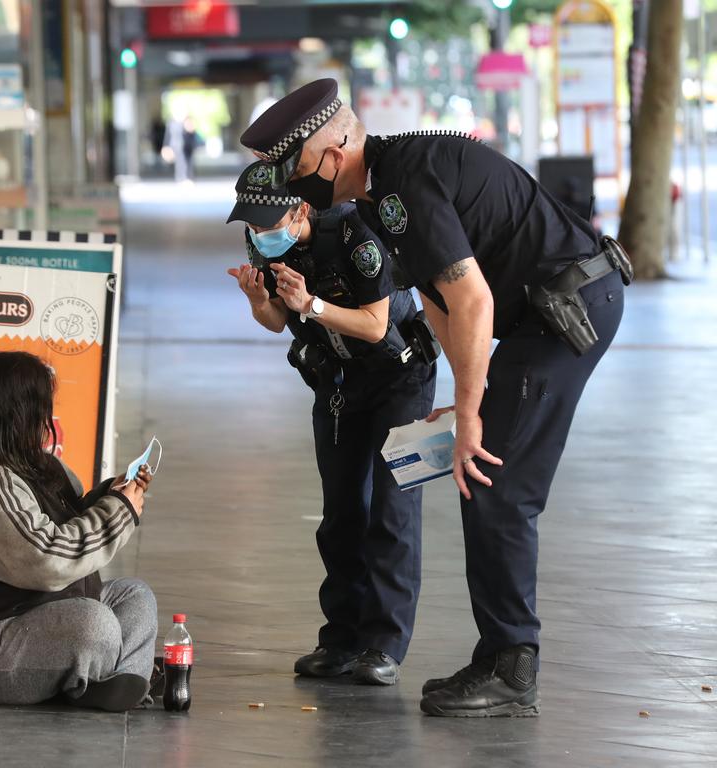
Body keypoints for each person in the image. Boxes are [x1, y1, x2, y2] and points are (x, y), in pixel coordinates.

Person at [240, 79, 629, 717]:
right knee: (483, 469)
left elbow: (473, 297)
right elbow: (436, 299)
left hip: (568, 309)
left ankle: (511, 665)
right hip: (541, 316)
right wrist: (463, 398)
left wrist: (474, 412)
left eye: (298, 172)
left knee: (495, 482)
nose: (294, 190)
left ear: (334, 156)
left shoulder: (402, 183)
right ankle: (504, 658)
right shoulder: (378, 192)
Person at [226, 160, 436, 686]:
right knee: (341, 515)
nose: (258, 236)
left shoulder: (357, 236)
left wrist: (311, 304)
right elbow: (279, 320)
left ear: (300, 208)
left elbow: (376, 324)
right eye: (250, 226)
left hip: (402, 380)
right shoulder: (262, 241)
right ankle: (340, 639)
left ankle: (384, 646)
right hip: (338, 384)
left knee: (394, 512)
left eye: (267, 225)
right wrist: (261, 303)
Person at [0, 351, 158, 712]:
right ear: (19, 414)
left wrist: (111, 496)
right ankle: (96, 674)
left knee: (134, 596)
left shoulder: (27, 462)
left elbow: (63, 523)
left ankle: (115, 679)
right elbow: (48, 561)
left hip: (29, 616)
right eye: (42, 410)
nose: (47, 421)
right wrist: (117, 513)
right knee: (92, 624)